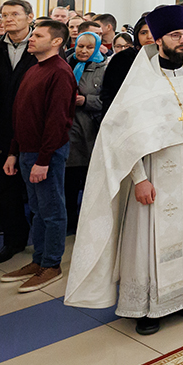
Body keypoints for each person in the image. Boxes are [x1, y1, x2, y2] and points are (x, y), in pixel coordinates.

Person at [65, 5, 183, 335]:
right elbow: (125, 138)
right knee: (150, 240)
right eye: (176, 36)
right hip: (156, 175)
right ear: (158, 39)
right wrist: (138, 179)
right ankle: (148, 307)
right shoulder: (141, 82)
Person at [0, 19, 77, 293]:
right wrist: (13, 152)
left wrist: (43, 159)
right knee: (38, 210)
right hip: (28, 151)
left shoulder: (60, 72)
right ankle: (39, 259)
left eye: (38, 35)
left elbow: (57, 122)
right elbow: (21, 115)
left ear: (56, 41)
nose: (31, 38)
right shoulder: (35, 69)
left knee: (52, 211)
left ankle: (52, 264)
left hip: (47, 154)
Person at [0, 0, 35, 263]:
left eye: (15, 14)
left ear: (29, 17)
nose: (9, 19)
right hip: (1, 125)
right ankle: (13, 240)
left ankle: (44, 242)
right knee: (4, 188)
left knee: (36, 188)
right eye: (4, 15)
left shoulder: (41, 46)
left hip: (33, 125)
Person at [66, 31, 107, 233]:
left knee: (89, 178)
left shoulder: (103, 68)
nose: (83, 50)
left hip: (90, 130)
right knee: (69, 179)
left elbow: (108, 100)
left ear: (97, 47)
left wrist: (86, 101)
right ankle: (70, 220)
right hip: (68, 130)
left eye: (89, 47)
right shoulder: (67, 63)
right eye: (80, 46)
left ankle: (90, 220)